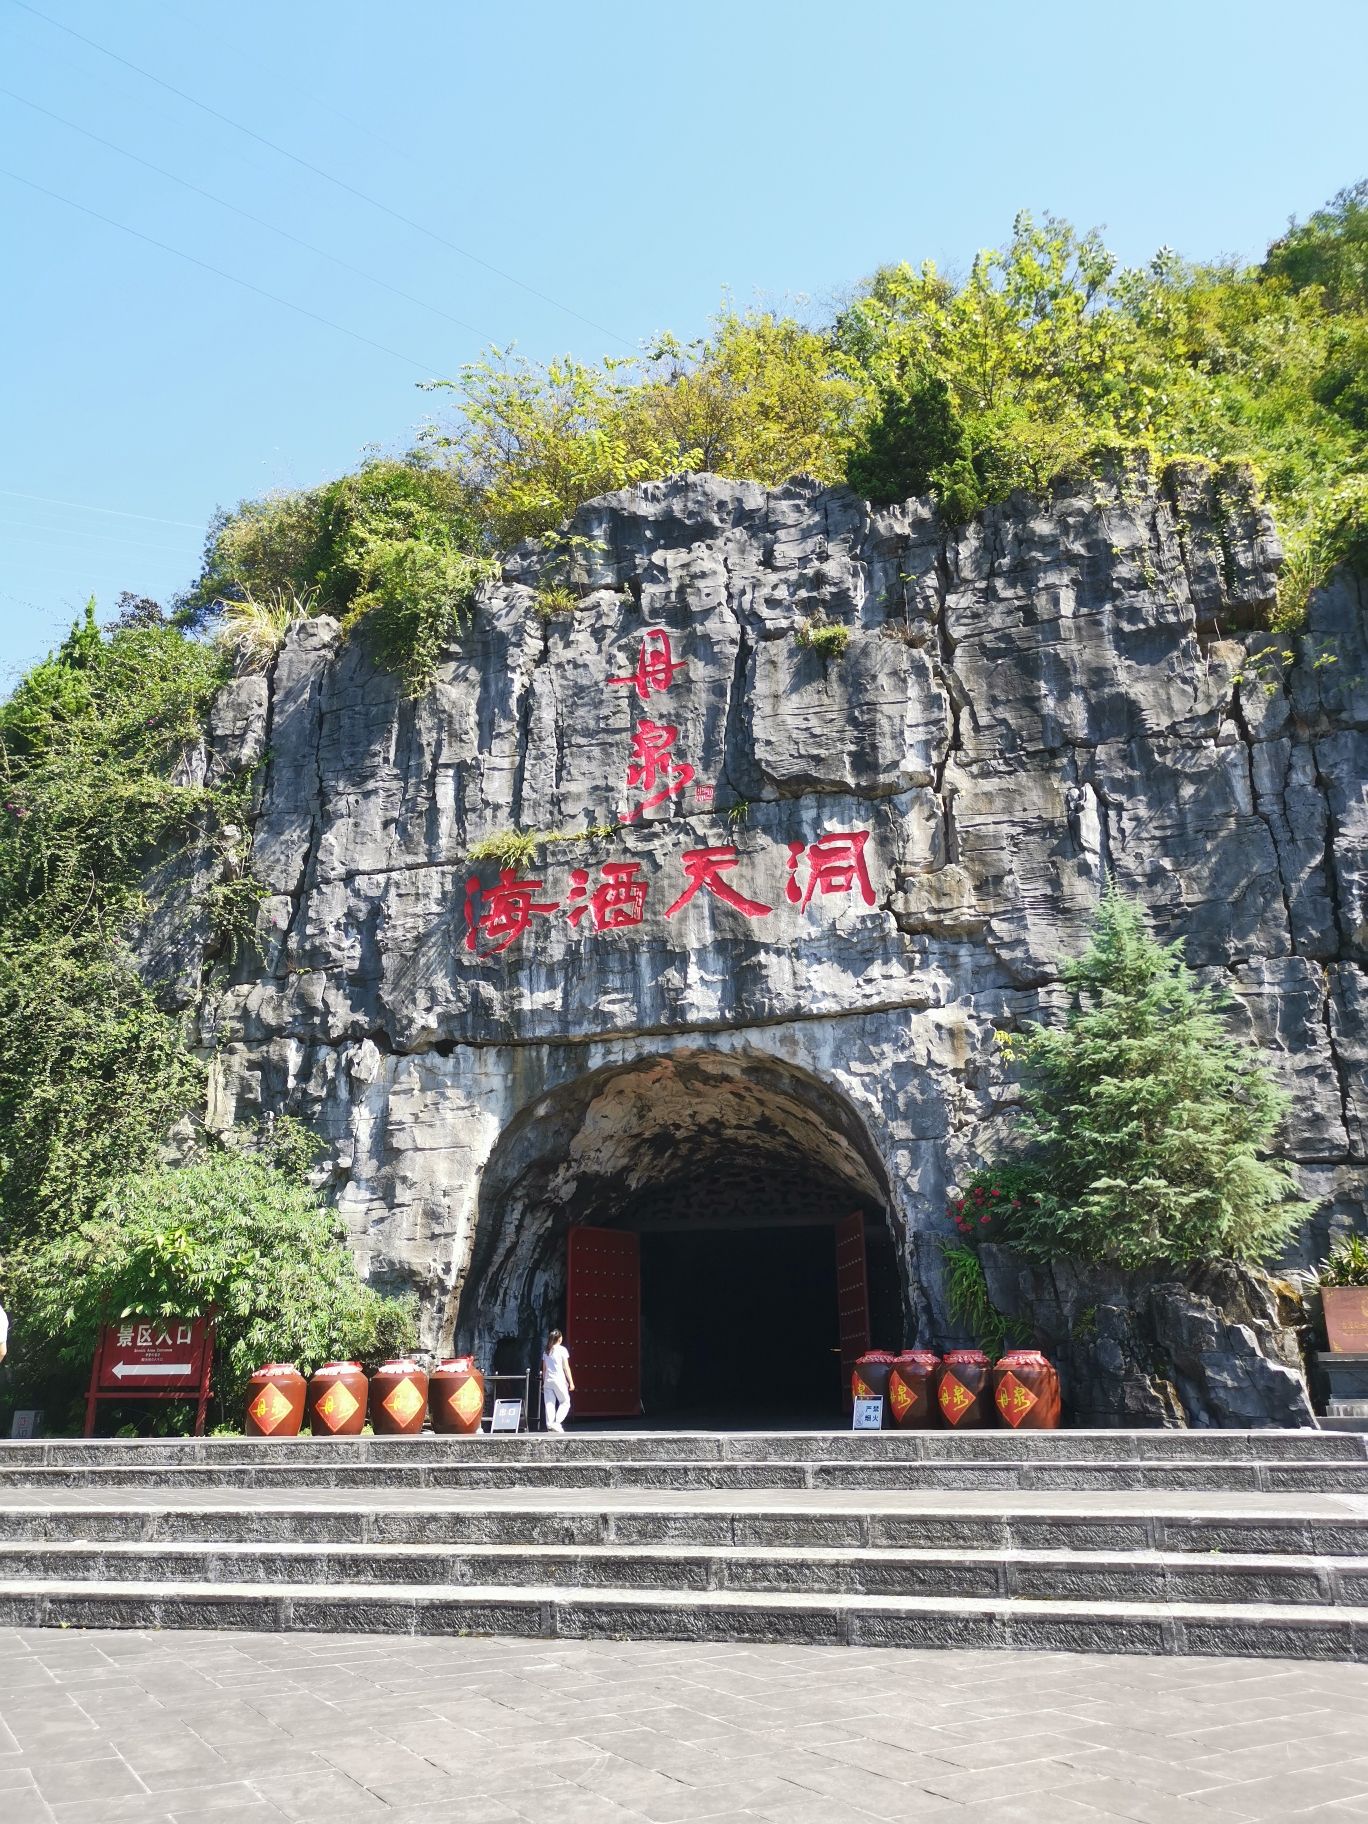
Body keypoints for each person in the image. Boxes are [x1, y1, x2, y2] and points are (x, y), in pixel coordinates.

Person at [541, 1328, 573, 1432]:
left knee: (549, 1403)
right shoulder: (562, 1350)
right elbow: (566, 1367)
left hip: (548, 1380)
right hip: (559, 1379)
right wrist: (571, 1382)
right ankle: (557, 1422)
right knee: (565, 1401)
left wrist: (543, 1382)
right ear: (559, 1338)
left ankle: (550, 1424)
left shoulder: (546, 1351)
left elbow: (544, 1369)